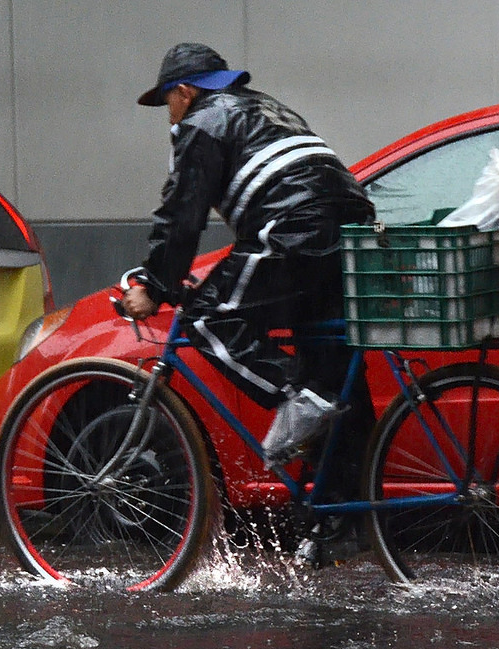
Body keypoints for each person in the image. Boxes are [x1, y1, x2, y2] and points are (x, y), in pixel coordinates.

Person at [123, 43, 375, 465]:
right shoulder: (269, 109)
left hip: (296, 230)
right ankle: (340, 522)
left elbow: (183, 214)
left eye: (167, 101)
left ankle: (295, 395)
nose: (168, 114)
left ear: (184, 92)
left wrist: (155, 284)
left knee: (206, 316)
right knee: (332, 381)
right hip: (348, 229)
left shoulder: (202, 122)